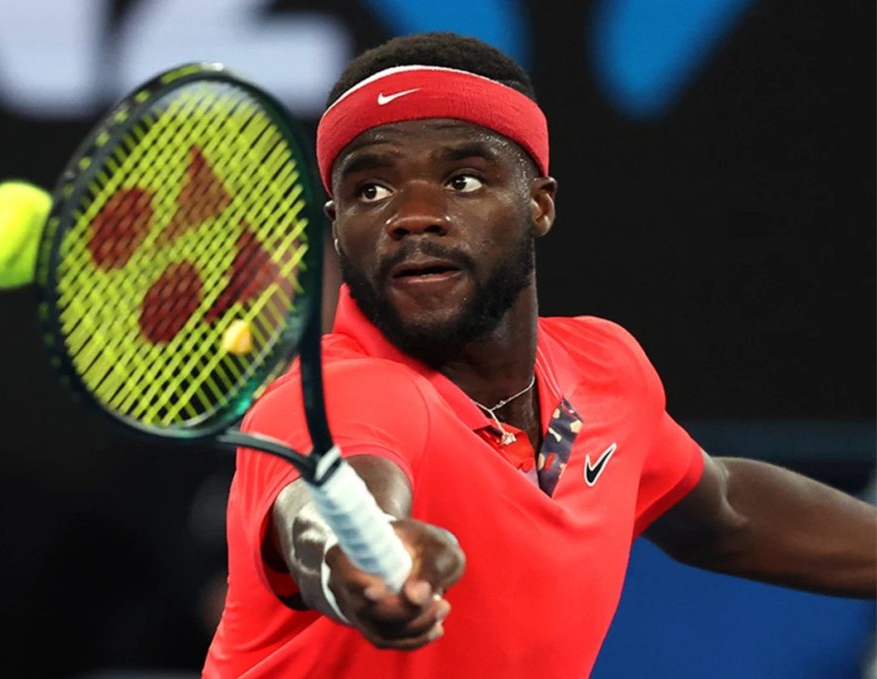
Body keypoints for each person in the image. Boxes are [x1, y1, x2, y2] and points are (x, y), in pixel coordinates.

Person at [202, 32, 876, 678]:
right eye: (370, 190)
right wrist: (362, 558)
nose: (412, 215)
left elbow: (722, 511)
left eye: (463, 180)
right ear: (336, 228)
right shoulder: (336, 393)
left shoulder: (604, 370)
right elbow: (318, 517)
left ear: (539, 205)